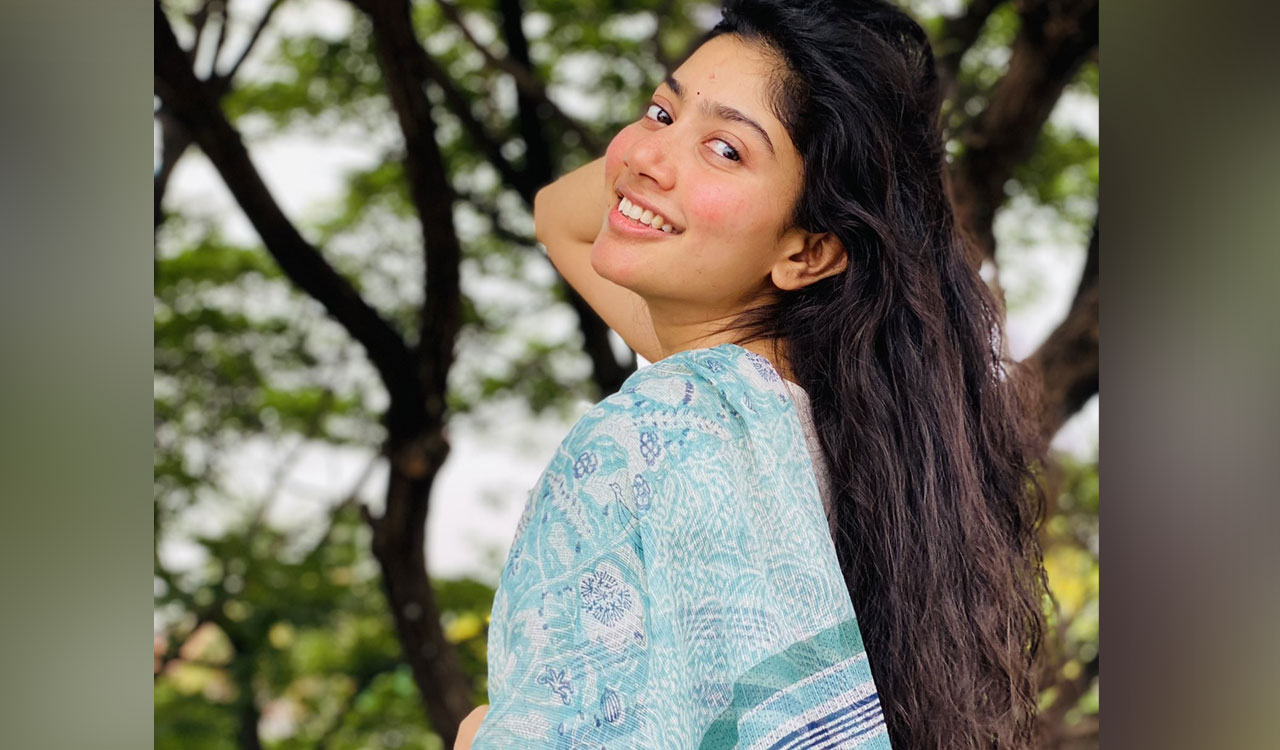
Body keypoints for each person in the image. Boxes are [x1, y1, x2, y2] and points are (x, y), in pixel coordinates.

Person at [459, 0, 1048, 747]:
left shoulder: (662, 431)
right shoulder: (824, 422)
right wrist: (689, 143)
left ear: (807, 253)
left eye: (728, 151)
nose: (644, 154)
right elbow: (559, 215)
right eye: (658, 111)